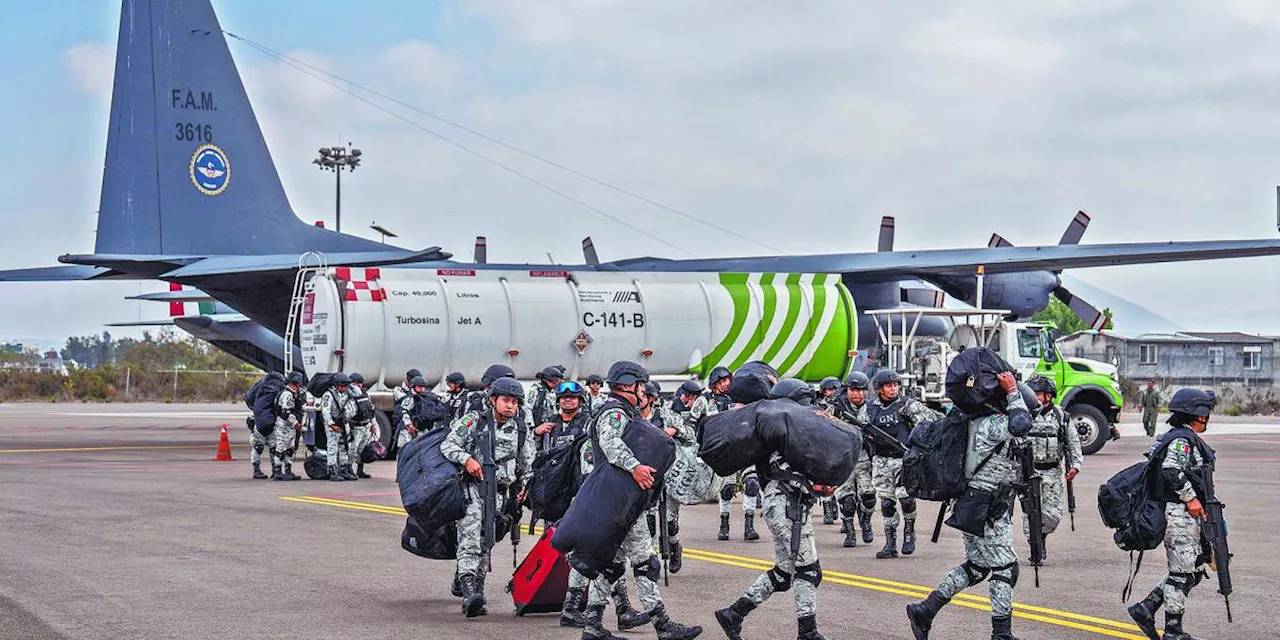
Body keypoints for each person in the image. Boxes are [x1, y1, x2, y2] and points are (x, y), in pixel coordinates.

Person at [578, 361, 702, 640]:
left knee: (611, 565)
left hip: (617, 500)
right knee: (646, 562)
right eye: (639, 385)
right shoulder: (614, 412)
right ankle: (663, 625)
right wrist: (635, 466)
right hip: (620, 501)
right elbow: (611, 444)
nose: (643, 391)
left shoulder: (621, 411)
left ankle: (592, 626)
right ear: (627, 385)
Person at [906, 371, 1034, 640]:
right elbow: (1021, 423)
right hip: (987, 508)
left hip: (972, 504)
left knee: (976, 567)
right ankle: (1001, 634)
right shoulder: (990, 425)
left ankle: (925, 610)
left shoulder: (976, 422)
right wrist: (1013, 392)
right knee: (1005, 569)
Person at [715, 379, 834, 640]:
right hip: (786, 506)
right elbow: (793, 473)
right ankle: (808, 632)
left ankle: (733, 614)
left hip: (781, 506)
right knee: (808, 570)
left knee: (783, 574)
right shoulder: (785, 436)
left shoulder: (772, 432)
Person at [558, 377, 649, 632]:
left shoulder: (588, 420)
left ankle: (615, 609)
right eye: (565, 397)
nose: (569, 401)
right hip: (584, 497)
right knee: (595, 555)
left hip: (592, 495)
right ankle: (578, 608)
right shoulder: (553, 427)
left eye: (574, 398)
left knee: (602, 555)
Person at [1126, 388, 1218, 640]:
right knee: (1181, 573)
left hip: (1184, 515)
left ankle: (1146, 608)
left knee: (1196, 567)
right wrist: (1191, 497)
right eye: (1205, 413)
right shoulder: (1181, 440)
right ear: (1196, 414)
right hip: (1178, 515)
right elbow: (1170, 471)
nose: (1207, 418)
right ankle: (1173, 631)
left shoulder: (1179, 437)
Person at [441, 377, 535, 618]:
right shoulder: (474, 420)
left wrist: (524, 487)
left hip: (502, 494)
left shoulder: (521, 429)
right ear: (493, 399)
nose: (510, 406)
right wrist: (467, 460)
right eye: (505, 400)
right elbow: (448, 445)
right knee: (470, 539)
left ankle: (477, 590)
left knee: (487, 542)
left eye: (514, 402)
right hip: (474, 490)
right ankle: (469, 592)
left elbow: (527, 464)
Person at [865, 370, 940, 558]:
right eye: (889, 385)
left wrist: (916, 445)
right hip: (880, 461)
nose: (893, 388)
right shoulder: (869, 409)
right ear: (879, 389)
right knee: (887, 503)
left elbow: (929, 423)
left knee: (906, 499)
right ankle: (890, 544)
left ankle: (909, 532)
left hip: (904, 460)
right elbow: (860, 429)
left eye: (896, 385)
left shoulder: (907, 405)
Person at [691, 366, 758, 542]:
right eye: (720, 382)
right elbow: (690, 423)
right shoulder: (704, 401)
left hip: (744, 449)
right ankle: (724, 524)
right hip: (723, 451)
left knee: (752, 484)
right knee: (726, 490)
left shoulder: (742, 398)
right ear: (713, 384)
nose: (725, 384)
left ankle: (749, 525)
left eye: (727, 380)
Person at [1022, 377, 1082, 560]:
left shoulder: (1061, 417)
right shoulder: (1023, 415)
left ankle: (1041, 537)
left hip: (1052, 473)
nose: (1034, 398)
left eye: (1037, 394)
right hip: (1029, 472)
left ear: (1048, 396)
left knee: (1052, 516)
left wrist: (1075, 466)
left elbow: (1073, 443)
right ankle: (1036, 547)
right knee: (1031, 514)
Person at [831, 372, 874, 547]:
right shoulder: (836, 409)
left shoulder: (872, 409)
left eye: (859, 390)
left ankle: (866, 521)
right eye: (852, 390)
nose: (855, 394)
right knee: (847, 501)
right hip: (843, 461)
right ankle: (850, 532)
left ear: (865, 391)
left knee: (869, 498)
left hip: (865, 461)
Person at [320, 373, 358, 482]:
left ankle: (344, 469)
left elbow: (356, 396)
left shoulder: (347, 393)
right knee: (332, 448)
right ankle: (333, 471)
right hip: (333, 424)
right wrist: (331, 425)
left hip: (344, 423)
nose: (344, 388)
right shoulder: (329, 395)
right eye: (342, 386)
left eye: (345, 386)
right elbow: (325, 411)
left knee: (344, 447)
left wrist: (351, 387)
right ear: (336, 385)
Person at [270, 372, 305, 481]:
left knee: (289, 448)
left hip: (289, 426)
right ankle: (277, 472)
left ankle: (288, 470)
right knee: (280, 448)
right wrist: (296, 423)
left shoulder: (294, 394)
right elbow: (286, 412)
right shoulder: (287, 394)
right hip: (283, 425)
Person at [399, 376, 450, 450]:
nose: (422, 389)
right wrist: (409, 425)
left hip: (426, 429)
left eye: (423, 387)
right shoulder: (410, 398)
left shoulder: (430, 397)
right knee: (406, 449)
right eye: (419, 386)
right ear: (414, 386)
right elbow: (404, 412)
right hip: (412, 430)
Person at [346, 373, 376, 479]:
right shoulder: (350, 395)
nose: (358, 386)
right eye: (356, 383)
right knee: (353, 448)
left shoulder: (365, 394)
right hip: (356, 426)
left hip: (366, 425)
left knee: (362, 448)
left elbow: (370, 409)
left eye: (359, 383)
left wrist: (373, 424)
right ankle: (349, 468)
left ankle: (360, 470)